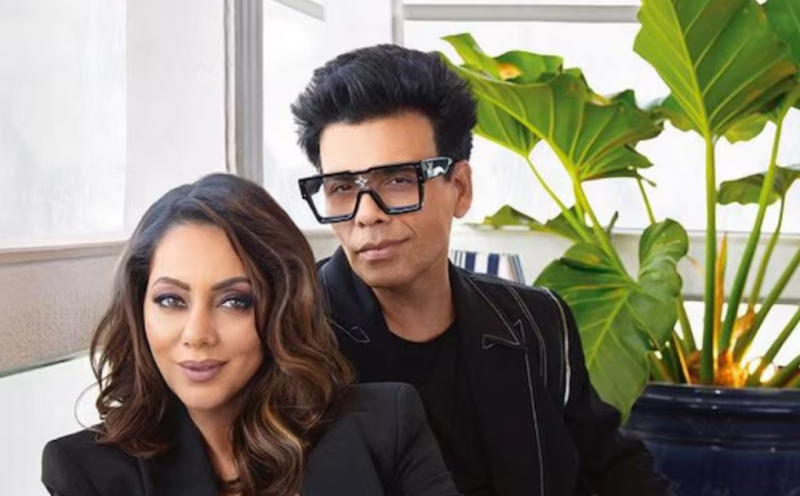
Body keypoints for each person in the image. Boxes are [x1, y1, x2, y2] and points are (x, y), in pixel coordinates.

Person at [292, 44, 671, 496]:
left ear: (461, 188)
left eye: (397, 180)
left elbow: (614, 470)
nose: (366, 214)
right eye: (340, 187)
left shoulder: (537, 323)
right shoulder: (292, 336)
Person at [41, 173, 461, 496]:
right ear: (139, 309)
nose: (198, 334)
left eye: (234, 301)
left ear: (283, 309)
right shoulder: (87, 471)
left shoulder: (387, 427)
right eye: (171, 300)